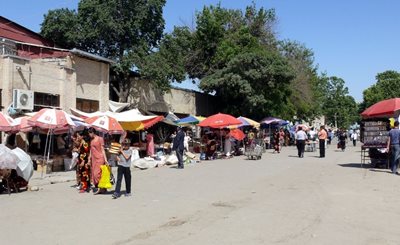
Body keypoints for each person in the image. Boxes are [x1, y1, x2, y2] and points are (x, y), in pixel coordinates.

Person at [88, 127, 108, 194]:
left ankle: (100, 188)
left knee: (97, 174)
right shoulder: (91, 140)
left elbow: (102, 149)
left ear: (93, 132)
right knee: (94, 174)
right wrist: (89, 158)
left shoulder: (100, 139)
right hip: (94, 159)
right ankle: (103, 188)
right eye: (89, 133)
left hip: (100, 158)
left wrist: (105, 159)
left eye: (90, 133)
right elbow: (91, 150)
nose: (89, 135)